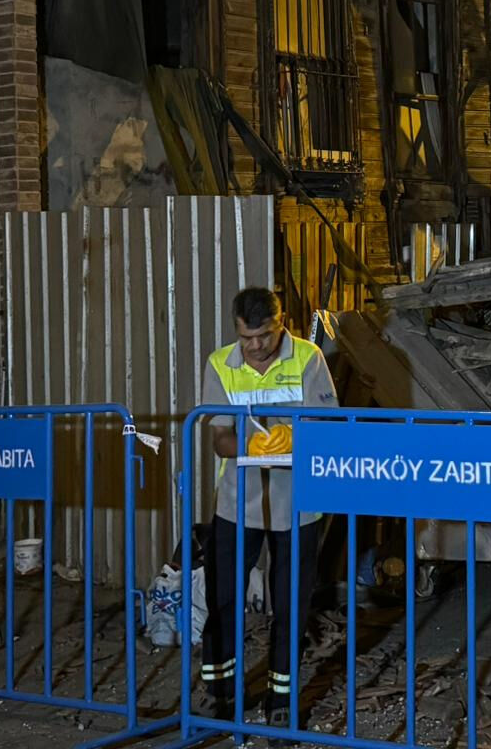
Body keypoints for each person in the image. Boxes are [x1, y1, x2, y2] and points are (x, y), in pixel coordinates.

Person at [198, 287, 339, 726]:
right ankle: (219, 693)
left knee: (290, 604)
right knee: (222, 599)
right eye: (247, 338)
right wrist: (250, 444)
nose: (257, 346)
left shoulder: (309, 358)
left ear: (283, 323)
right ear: (236, 332)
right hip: (237, 504)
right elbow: (218, 436)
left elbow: (328, 426)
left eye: (266, 335)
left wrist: (298, 438)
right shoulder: (221, 363)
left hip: (296, 505)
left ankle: (281, 702)